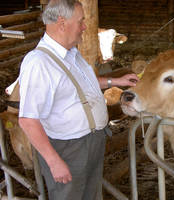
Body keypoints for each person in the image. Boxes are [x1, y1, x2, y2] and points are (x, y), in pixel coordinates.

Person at [18, 0, 138, 199]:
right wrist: (53, 160)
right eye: (81, 21)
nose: (85, 27)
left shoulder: (72, 53)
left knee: (91, 195)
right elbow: (28, 120)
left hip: (91, 141)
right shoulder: (38, 63)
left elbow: (83, 84)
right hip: (69, 149)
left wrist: (117, 80)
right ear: (62, 23)